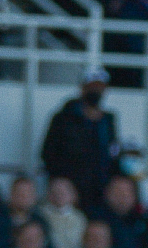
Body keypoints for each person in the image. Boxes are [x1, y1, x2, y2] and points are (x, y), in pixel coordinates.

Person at [42, 67, 120, 211]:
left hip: (99, 191)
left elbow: (113, 152)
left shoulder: (108, 120)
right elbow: (48, 153)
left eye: (100, 87)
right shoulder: (64, 118)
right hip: (70, 190)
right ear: (82, 88)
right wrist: (62, 184)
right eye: (92, 87)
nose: (96, 91)